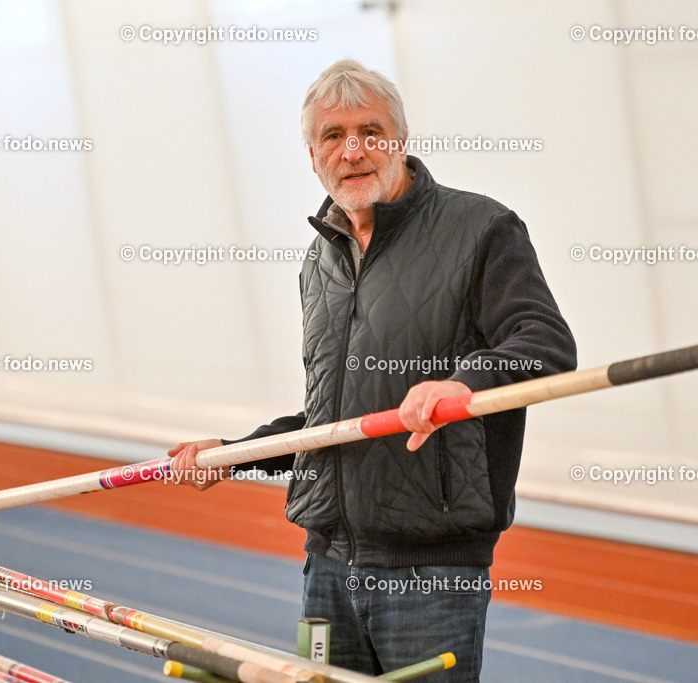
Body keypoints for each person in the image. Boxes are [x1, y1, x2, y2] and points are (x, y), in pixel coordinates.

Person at [169, 59, 577, 681]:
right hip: (326, 566)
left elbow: (544, 343)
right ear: (312, 155)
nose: (353, 150)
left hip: (430, 573)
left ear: (401, 141)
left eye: (371, 131)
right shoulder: (321, 260)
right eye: (333, 135)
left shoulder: (481, 229)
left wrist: (461, 383)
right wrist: (232, 454)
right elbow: (333, 422)